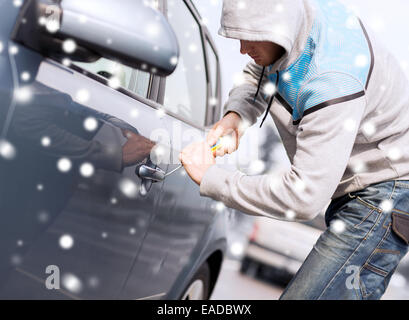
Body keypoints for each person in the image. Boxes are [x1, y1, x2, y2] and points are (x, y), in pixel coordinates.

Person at [179, 0, 409, 300]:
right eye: (237, 36)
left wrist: (212, 178)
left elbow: (303, 196)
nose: (241, 48)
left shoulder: (334, 80)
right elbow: (258, 72)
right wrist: (236, 116)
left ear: (279, 29)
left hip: (386, 191)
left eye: (249, 37)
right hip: (364, 187)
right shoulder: (294, 24)